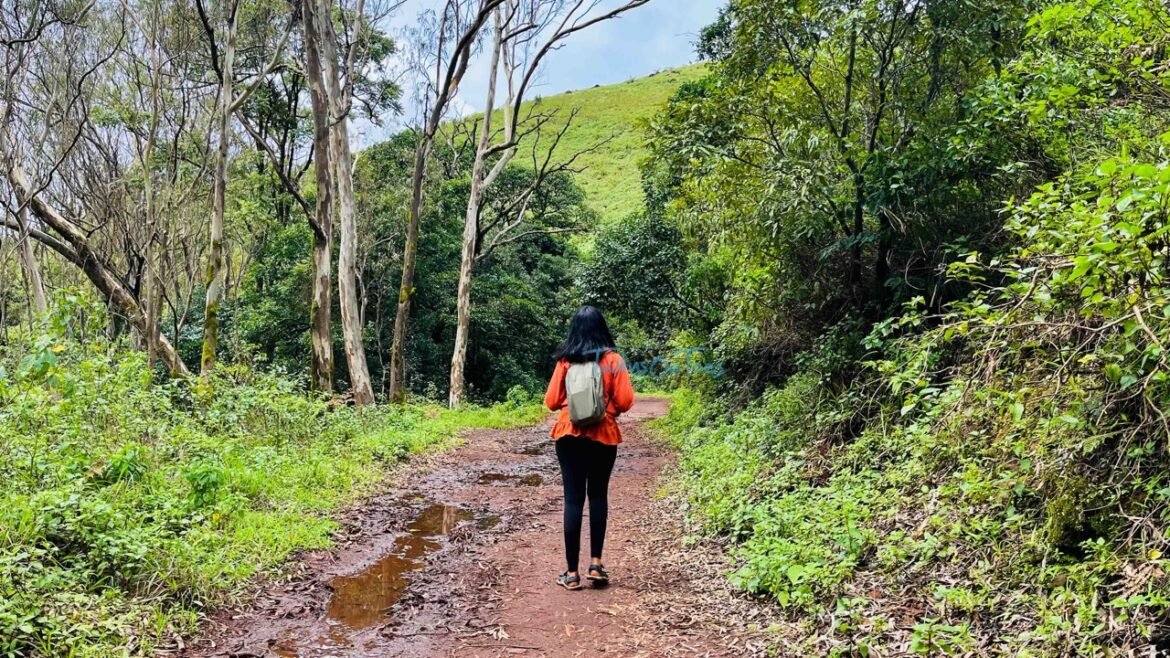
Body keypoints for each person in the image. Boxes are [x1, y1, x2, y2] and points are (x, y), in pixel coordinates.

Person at [543, 305, 635, 590]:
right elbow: (626, 401)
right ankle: (596, 563)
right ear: (602, 329)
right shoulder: (613, 360)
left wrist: (572, 404)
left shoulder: (565, 362)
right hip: (603, 435)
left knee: (572, 500)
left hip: (569, 433)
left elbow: (550, 401)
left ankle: (571, 574)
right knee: (597, 496)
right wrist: (607, 408)